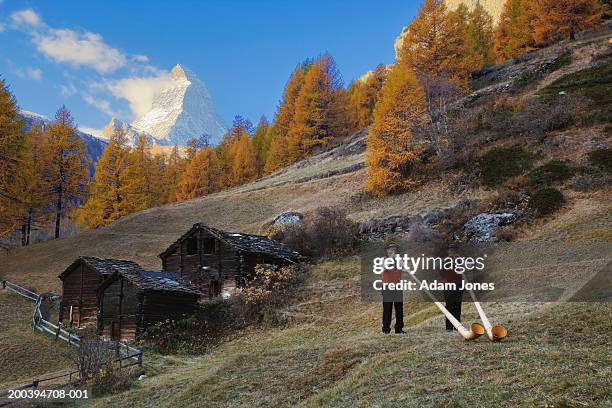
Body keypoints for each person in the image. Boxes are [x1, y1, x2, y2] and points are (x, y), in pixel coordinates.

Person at [381, 243, 405, 334]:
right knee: (387, 308)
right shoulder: (383, 260)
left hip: (397, 287)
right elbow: (384, 267)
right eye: (391, 250)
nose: (393, 252)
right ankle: (386, 330)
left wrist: (400, 261)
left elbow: (406, 269)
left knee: (399, 308)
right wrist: (392, 258)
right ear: (387, 250)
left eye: (394, 250)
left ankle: (399, 329)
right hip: (387, 287)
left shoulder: (398, 261)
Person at [442, 248, 464, 331]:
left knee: (457, 306)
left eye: (454, 251)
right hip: (448, 286)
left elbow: (467, 267)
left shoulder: (460, 260)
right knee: (449, 306)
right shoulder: (445, 260)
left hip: (459, 285)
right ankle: (449, 327)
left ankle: (457, 326)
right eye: (450, 251)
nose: (452, 253)